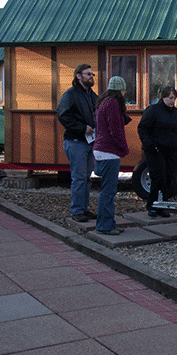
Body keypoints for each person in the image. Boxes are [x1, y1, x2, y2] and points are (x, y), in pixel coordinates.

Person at [56, 64, 98, 222]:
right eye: (87, 74)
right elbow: (63, 115)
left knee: (87, 178)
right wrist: (82, 128)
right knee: (79, 178)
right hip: (75, 141)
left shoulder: (92, 95)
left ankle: (84, 208)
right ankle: (77, 210)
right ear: (78, 76)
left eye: (92, 74)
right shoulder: (71, 94)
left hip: (88, 142)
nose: (91, 76)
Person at [137, 86, 177, 218]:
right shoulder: (153, 111)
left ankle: (162, 205)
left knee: (169, 177)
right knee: (158, 177)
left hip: (171, 150)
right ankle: (152, 205)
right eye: (170, 98)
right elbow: (142, 128)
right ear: (163, 97)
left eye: (174, 98)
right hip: (155, 150)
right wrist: (150, 144)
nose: (172, 101)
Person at [92, 76, 130, 235]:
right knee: (108, 191)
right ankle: (104, 226)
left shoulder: (103, 102)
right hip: (109, 152)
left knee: (106, 190)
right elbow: (116, 130)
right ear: (121, 90)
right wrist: (124, 148)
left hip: (100, 150)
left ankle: (109, 223)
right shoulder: (113, 104)